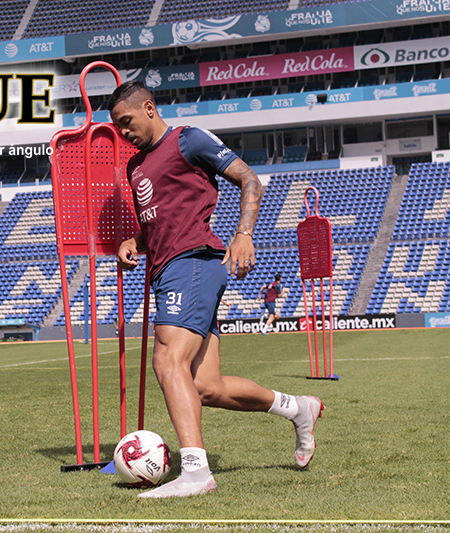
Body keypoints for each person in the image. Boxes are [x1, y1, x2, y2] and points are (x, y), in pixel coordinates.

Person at [108, 81, 323, 498]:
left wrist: (244, 234)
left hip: (192, 263)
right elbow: (159, 226)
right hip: (168, 269)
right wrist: (134, 242)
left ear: (149, 108)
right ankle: (299, 408)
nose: (123, 132)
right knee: (206, 386)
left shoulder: (188, 140)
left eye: (127, 121)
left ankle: (195, 472)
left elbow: (250, 180)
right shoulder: (134, 167)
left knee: (168, 360)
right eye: (118, 126)